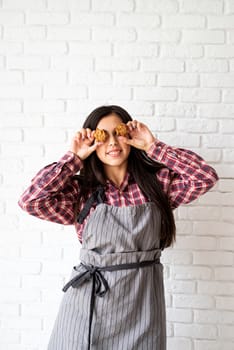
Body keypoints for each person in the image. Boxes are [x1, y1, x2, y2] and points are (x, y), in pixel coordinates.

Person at [18, 105, 218, 350]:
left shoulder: (158, 185)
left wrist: (153, 146)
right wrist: (74, 158)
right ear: (93, 141)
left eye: (118, 133)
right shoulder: (80, 191)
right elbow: (31, 200)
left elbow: (205, 177)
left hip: (143, 305)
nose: (112, 142)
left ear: (130, 135)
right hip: (88, 305)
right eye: (103, 135)